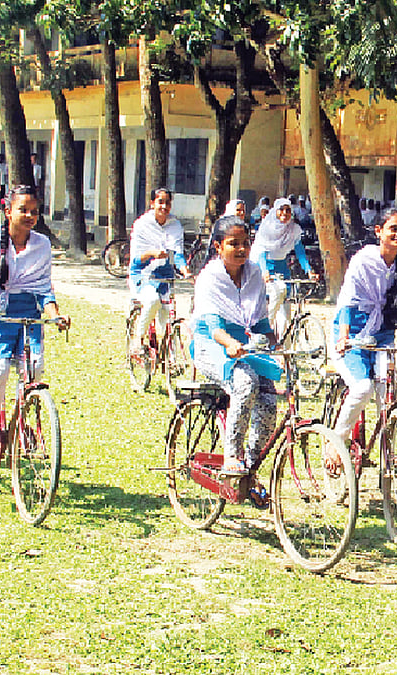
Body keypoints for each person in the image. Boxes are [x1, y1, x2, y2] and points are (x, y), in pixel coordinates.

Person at [328, 208, 397, 469]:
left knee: (385, 394)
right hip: (352, 336)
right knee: (362, 389)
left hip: (383, 338)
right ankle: (336, 443)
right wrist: (343, 337)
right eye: (393, 229)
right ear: (379, 232)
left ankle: (389, 452)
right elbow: (347, 304)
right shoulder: (362, 261)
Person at [0, 185, 70, 459]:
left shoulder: (42, 245)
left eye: (34, 212)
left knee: (35, 370)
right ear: (8, 211)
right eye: (22, 210)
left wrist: (55, 316)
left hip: (28, 318)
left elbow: (44, 290)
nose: (28, 216)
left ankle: (23, 420)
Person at [191, 215, 281, 479]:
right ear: (218, 246)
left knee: (268, 399)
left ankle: (249, 468)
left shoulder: (254, 273)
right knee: (245, 382)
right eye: (233, 243)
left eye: (245, 243)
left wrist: (277, 344)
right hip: (212, 346)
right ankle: (232, 455)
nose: (241, 249)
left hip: (246, 347)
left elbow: (261, 322)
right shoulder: (209, 278)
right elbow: (215, 328)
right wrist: (231, 344)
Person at [128, 188, 191, 363]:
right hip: (143, 274)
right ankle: (138, 341)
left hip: (164, 277)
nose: (164, 206)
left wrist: (185, 270)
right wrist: (151, 253)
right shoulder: (141, 224)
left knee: (167, 316)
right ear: (152, 204)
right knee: (152, 301)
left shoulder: (175, 225)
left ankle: (169, 357)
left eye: (167, 202)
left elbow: (177, 253)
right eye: (160, 202)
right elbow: (136, 260)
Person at [251, 197, 316, 338]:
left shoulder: (293, 229)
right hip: (264, 267)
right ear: (275, 211)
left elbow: (300, 251)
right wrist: (265, 271)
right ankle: (264, 330)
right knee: (274, 296)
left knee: (286, 309)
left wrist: (309, 270)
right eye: (281, 210)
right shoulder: (266, 228)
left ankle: (284, 345)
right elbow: (262, 251)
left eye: (288, 210)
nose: (284, 213)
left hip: (282, 267)